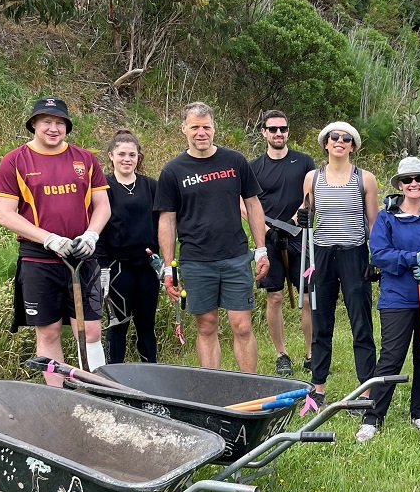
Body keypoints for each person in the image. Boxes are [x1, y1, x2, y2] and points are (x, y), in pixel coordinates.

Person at [0, 96, 110, 385]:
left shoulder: (85, 159)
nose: (53, 128)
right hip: (39, 258)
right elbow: (5, 215)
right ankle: (58, 397)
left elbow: (102, 206)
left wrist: (92, 234)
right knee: (48, 332)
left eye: (59, 122)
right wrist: (49, 239)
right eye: (47, 121)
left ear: (67, 126)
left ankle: (101, 393)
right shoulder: (15, 160)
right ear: (34, 124)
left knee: (90, 331)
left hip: (82, 255)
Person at [154, 102, 269, 372]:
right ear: (184, 129)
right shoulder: (173, 170)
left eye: (206, 126)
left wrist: (261, 250)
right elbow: (167, 220)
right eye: (195, 127)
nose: (201, 132)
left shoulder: (235, 161)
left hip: (236, 256)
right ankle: (212, 389)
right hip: (196, 260)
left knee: (242, 325)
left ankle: (249, 387)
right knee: (206, 326)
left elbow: (252, 205)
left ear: (214, 128)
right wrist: (168, 266)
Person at [357, 157, 420, 442]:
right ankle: (373, 417)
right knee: (391, 357)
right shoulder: (386, 217)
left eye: (419, 179)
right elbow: (378, 253)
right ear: (400, 185)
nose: (413, 184)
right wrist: (412, 258)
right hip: (397, 299)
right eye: (407, 180)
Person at [299, 121, 378, 402]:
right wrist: (300, 216)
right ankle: (318, 388)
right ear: (326, 143)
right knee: (321, 321)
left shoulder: (364, 178)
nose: (340, 141)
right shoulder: (312, 178)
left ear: (353, 146)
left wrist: (376, 257)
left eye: (346, 138)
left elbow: (374, 222)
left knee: (361, 322)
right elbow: (306, 211)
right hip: (321, 254)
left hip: (354, 252)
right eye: (334, 137)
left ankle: (365, 390)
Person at [249, 110, 314, 377]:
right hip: (269, 239)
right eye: (273, 129)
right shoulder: (254, 167)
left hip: (300, 236)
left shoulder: (303, 161)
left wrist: (297, 218)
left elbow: (312, 194)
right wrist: (264, 227)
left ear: (288, 131)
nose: (278, 134)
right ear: (263, 132)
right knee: (274, 296)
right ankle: (281, 354)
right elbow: (245, 203)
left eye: (283, 129)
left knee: (308, 297)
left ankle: (311, 353)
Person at [98, 130, 161, 365]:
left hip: (147, 266)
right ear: (111, 156)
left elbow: (160, 225)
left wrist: (161, 259)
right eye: (121, 154)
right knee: (118, 325)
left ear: (138, 157)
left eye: (132, 154)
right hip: (116, 268)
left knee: (146, 324)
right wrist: (102, 266)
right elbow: (99, 228)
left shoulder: (151, 186)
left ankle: (151, 375)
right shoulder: (102, 186)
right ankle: (113, 379)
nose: (127, 159)